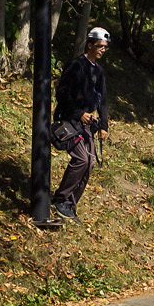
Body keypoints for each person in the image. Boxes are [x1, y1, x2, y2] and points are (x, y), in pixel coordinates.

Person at [51, 27, 111, 225]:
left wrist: (104, 125)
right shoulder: (75, 65)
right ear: (90, 44)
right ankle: (60, 199)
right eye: (100, 46)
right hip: (69, 120)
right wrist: (79, 113)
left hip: (87, 124)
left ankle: (70, 205)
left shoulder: (99, 71)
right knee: (81, 159)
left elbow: (103, 101)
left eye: (105, 47)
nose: (103, 50)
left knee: (90, 163)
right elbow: (61, 94)